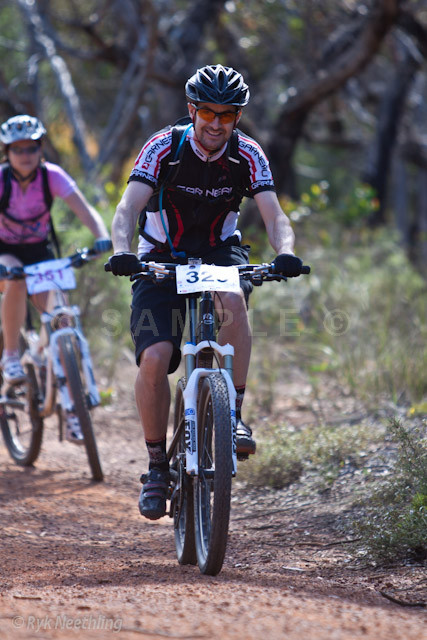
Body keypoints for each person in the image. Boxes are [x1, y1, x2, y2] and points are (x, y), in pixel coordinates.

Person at [109, 64, 304, 520]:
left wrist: (287, 251)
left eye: (228, 115)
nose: (216, 124)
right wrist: (122, 251)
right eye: (208, 113)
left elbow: (275, 216)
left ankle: (233, 413)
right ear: (192, 110)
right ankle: (157, 467)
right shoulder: (164, 147)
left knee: (233, 300)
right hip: (161, 257)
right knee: (156, 358)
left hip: (219, 254)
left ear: (238, 117)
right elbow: (128, 206)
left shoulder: (248, 154)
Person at [0, 114, 111, 443]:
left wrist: (102, 237)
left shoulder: (52, 177)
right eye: (17, 149)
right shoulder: (1, 180)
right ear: (7, 152)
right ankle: (10, 357)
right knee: (17, 282)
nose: (24, 154)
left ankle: (74, 413)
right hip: (6, 252)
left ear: (40, 149)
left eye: (31, 148)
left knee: (61, 319)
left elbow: (85, 209)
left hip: (40, 251)